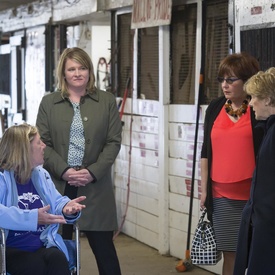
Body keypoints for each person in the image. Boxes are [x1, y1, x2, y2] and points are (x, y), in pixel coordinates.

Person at [36, 47, 122, 275]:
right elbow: (42, 144)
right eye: (71, 69)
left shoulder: (106, 101)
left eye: (82, 67)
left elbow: (113, 142)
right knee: (59, 251)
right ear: (63, 73)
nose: (77, 73)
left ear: (89, 71)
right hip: (58, 187)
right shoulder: (48, 103)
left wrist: (92, 172)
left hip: (94, 185)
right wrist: (64, 171)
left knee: (105, 251)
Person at [200, 52, 264, 275]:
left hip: (254, 196)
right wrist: (204, 191)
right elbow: (205, 151)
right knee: (230, 253)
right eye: (221, 80)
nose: (224, 85)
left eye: (231, 80)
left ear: (247, 80)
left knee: (257, 253)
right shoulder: (216, 108)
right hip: (222, 196)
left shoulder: (258, 109)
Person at [0, 123, 86, 275]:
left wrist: (67, 208)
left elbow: (56, 201)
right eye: (39, 142)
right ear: (24, 149)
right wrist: (32, 218)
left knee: (57, 257)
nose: (44, 146)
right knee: (41, 267)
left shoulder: (40, 174)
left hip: (42, 244)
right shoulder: (2, 177)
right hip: (9, 249)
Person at [234, 68, 275, 275]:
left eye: (254, 98)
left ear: (268, 100)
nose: (250, 104)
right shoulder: (267, 129)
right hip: (261, 223)